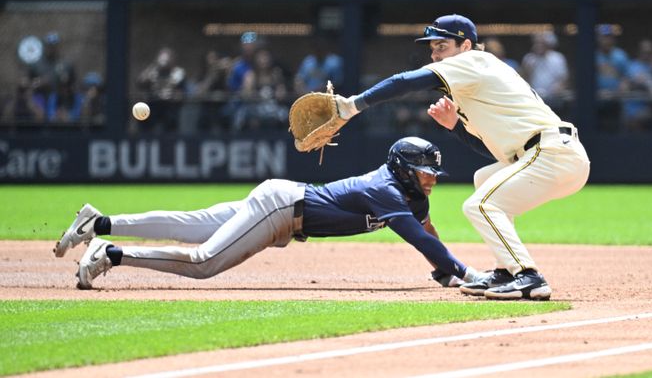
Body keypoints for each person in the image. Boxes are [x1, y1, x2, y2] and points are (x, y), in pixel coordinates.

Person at [332, 14, 591, 300]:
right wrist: (455, 126)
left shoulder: (475, 61)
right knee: (483, 179)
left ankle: (528, 277)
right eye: (432, 48)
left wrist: (352, 106)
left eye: (442, 46)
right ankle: (505, 270)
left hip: (552, 152)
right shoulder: (472, 87)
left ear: (466, 45)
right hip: (548, 154)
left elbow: (403, 81)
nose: (434, 54)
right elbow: (493, 151)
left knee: (479, 205)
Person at [54, 137, 493, 291]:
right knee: (205, 262)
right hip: (283, 209)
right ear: (404, 169)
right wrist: (468, 274)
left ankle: (96, 223)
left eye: (432, 172)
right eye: (424, 171)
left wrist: (445, 271)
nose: (431, 178)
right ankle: (110, 253)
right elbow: (419, 238)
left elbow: (427, 230)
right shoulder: (386, 189)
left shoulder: (411, 192)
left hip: (283, 203)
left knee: (191, 225)